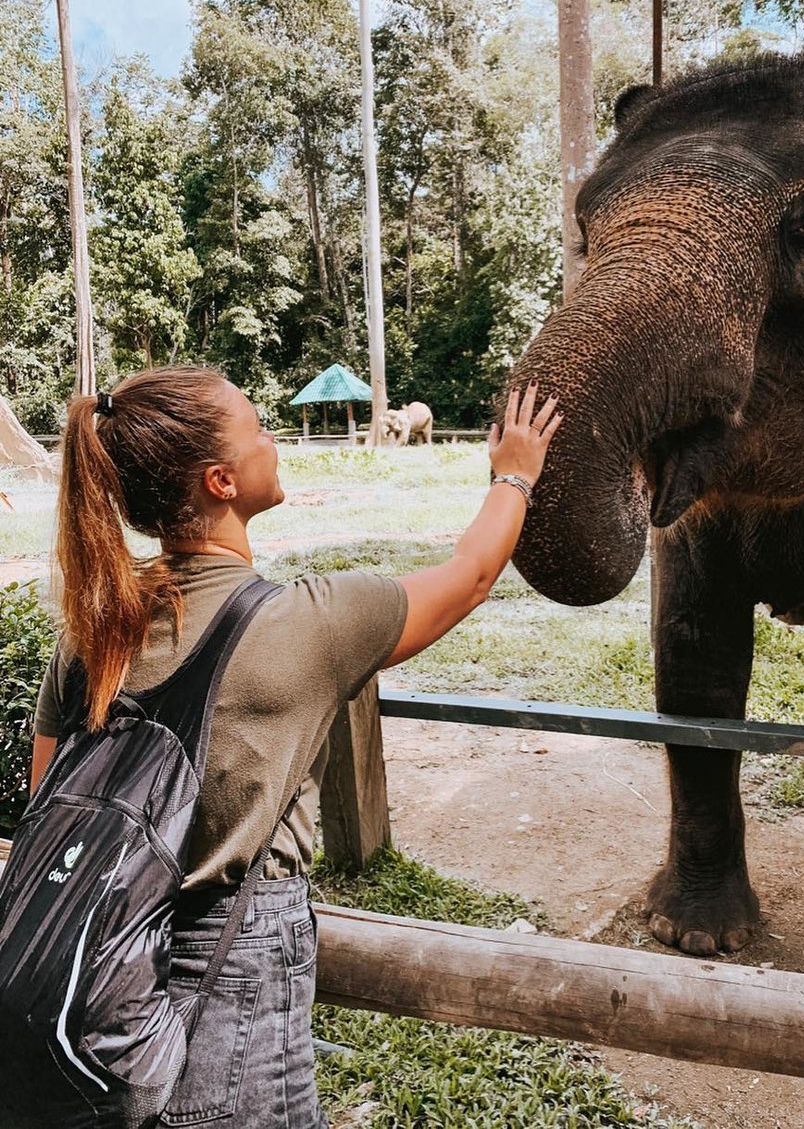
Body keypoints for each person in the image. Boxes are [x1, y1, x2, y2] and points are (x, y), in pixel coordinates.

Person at [30, 365, 562, 1129]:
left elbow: (53, 799)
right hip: (231, 959)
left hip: (90, 962)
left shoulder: (86, 637)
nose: (273, 440)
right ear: (221, 480)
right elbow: (471, 576)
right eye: (258, 429)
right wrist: (514, 476)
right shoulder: (304, 626)